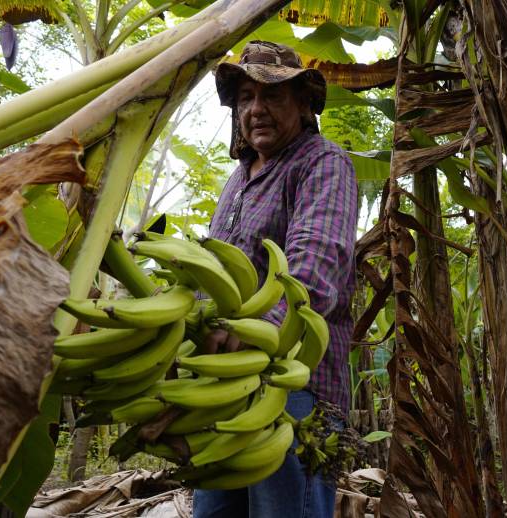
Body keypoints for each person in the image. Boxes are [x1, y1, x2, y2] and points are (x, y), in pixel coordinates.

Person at [192, 41, 358, 518]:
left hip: (294, 389)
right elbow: (215, 272)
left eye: (273, 95)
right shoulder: (238, 178)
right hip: (225, 385)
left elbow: (315, 266)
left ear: (304, 104)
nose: (256, 109)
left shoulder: (322, 162)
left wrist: (254, 330)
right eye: (246, 97)